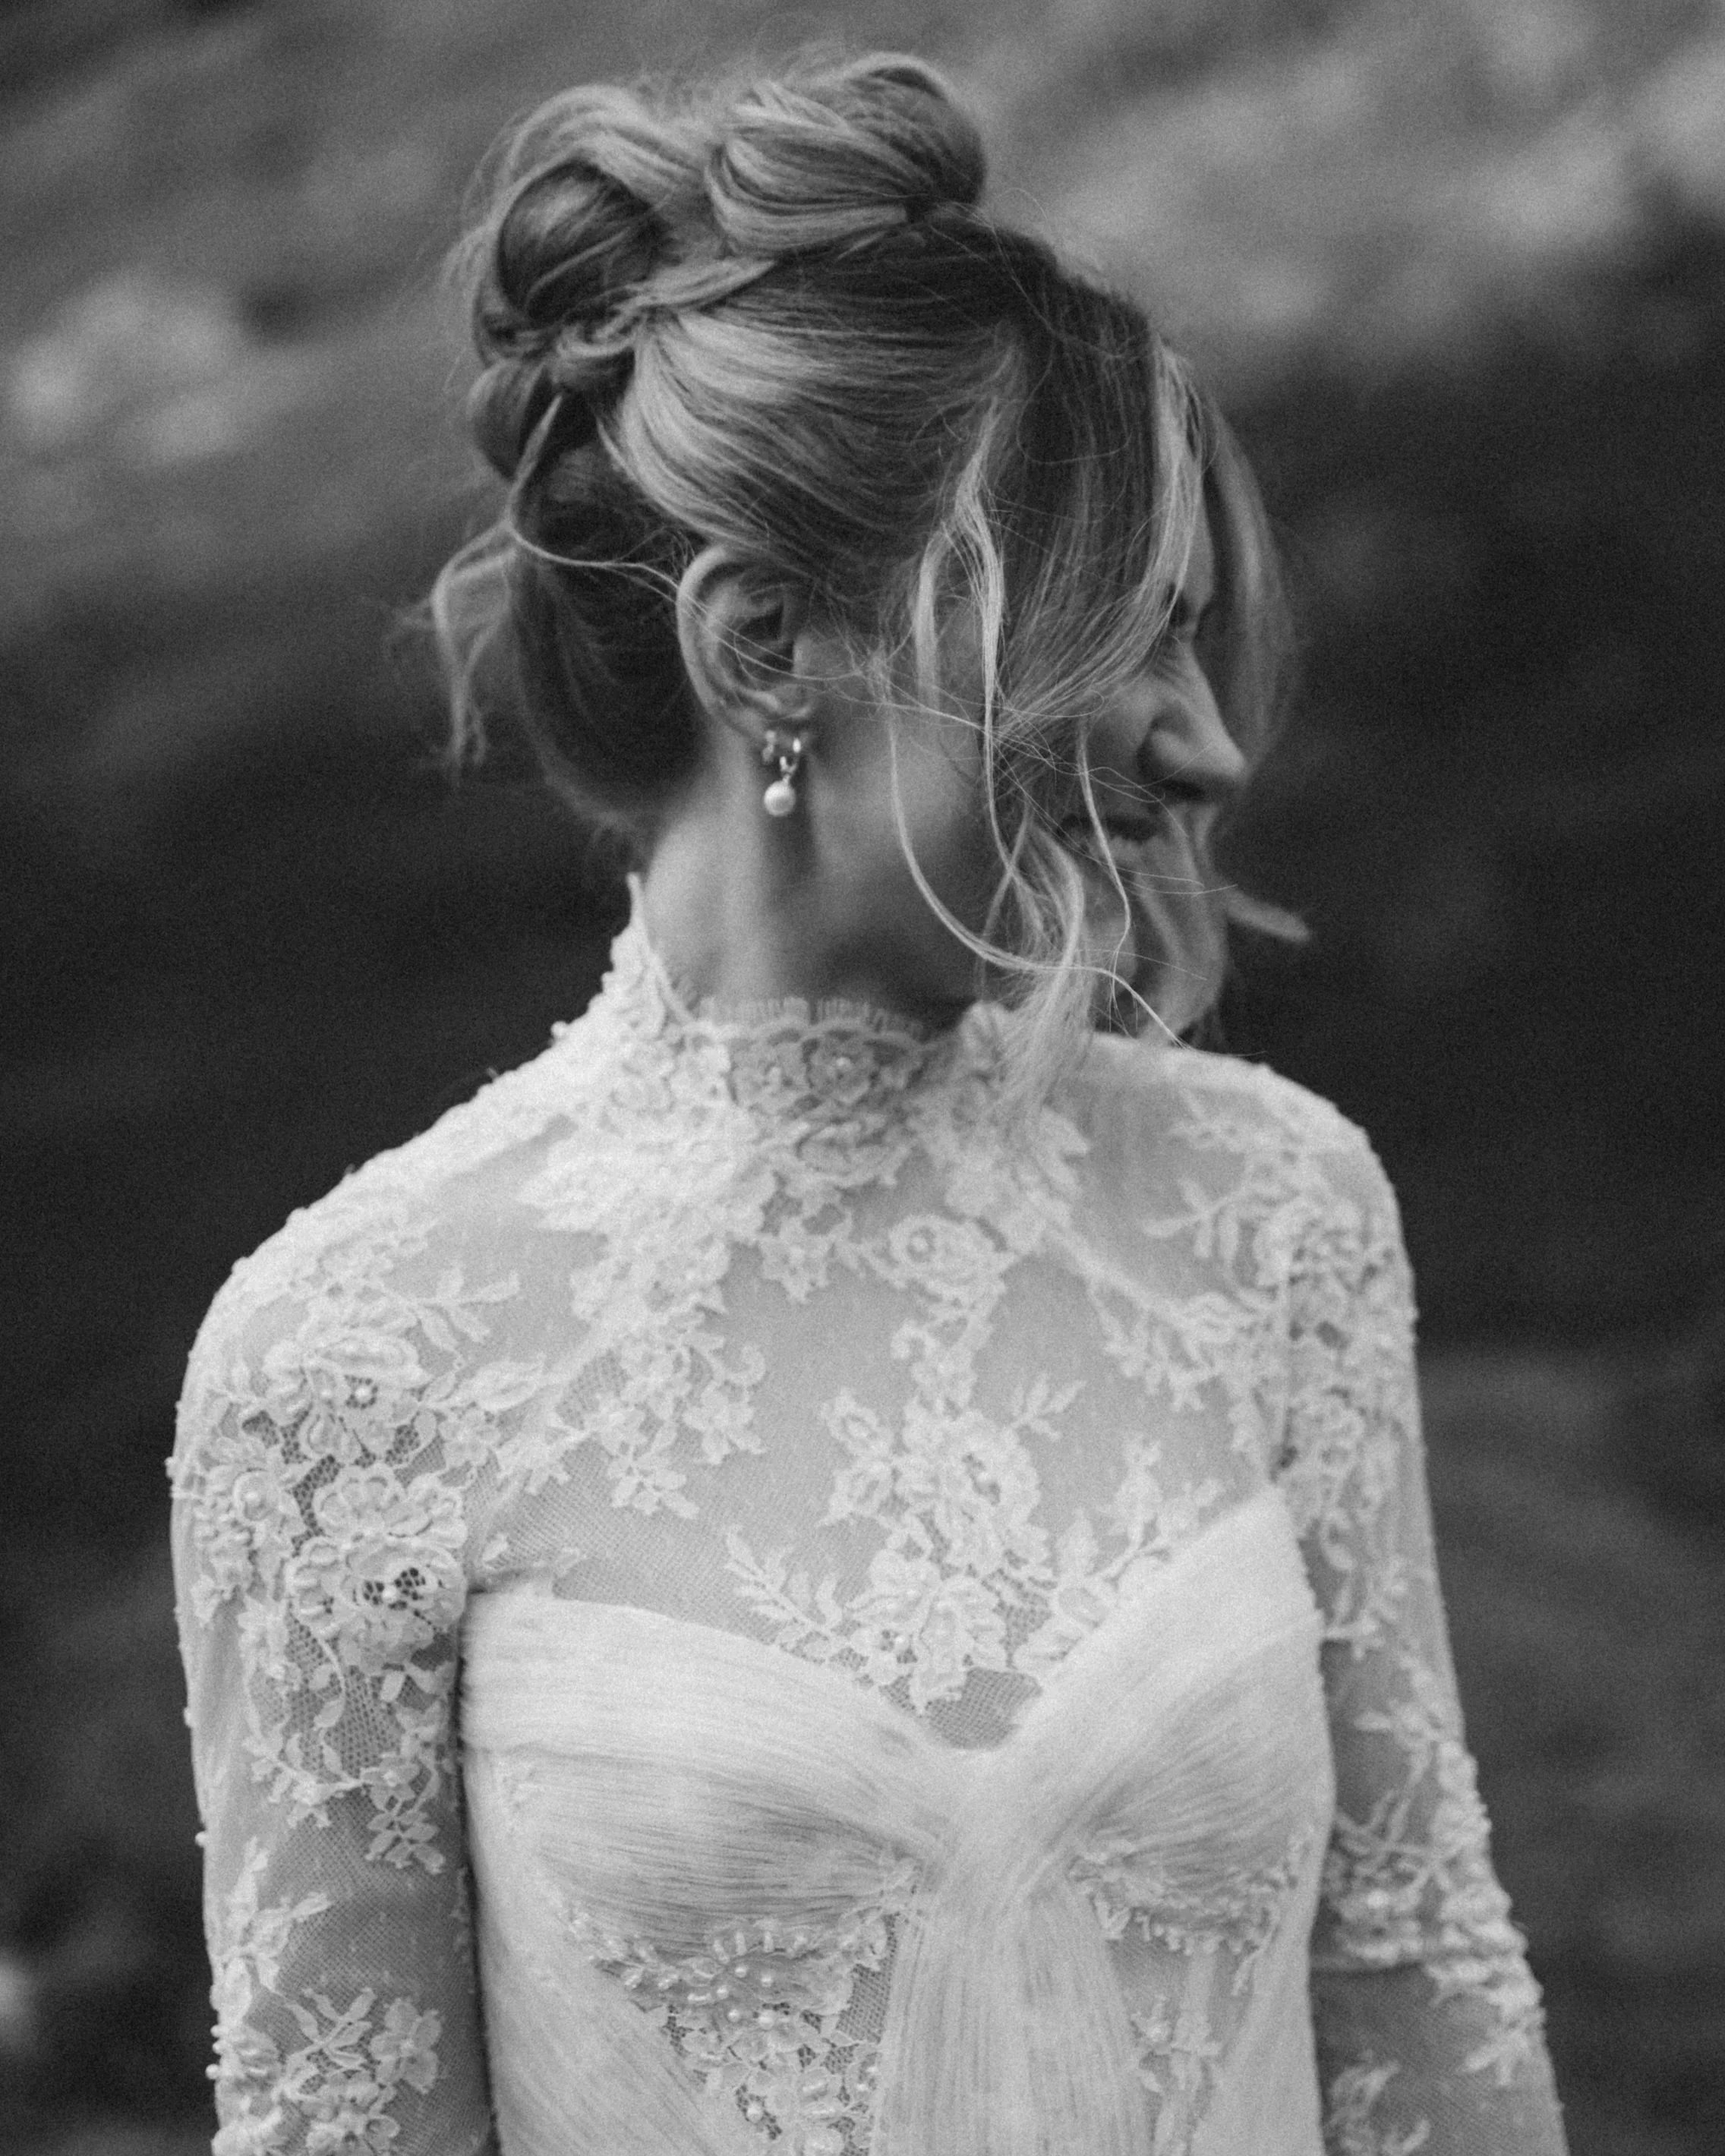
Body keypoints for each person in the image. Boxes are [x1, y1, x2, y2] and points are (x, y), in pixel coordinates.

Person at [169, 50, 1569, 2156]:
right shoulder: (350, 1364)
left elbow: (1419, 1995)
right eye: (1128, 634)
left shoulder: (1272, 1215)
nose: (1202, 745)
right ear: (770, 647)